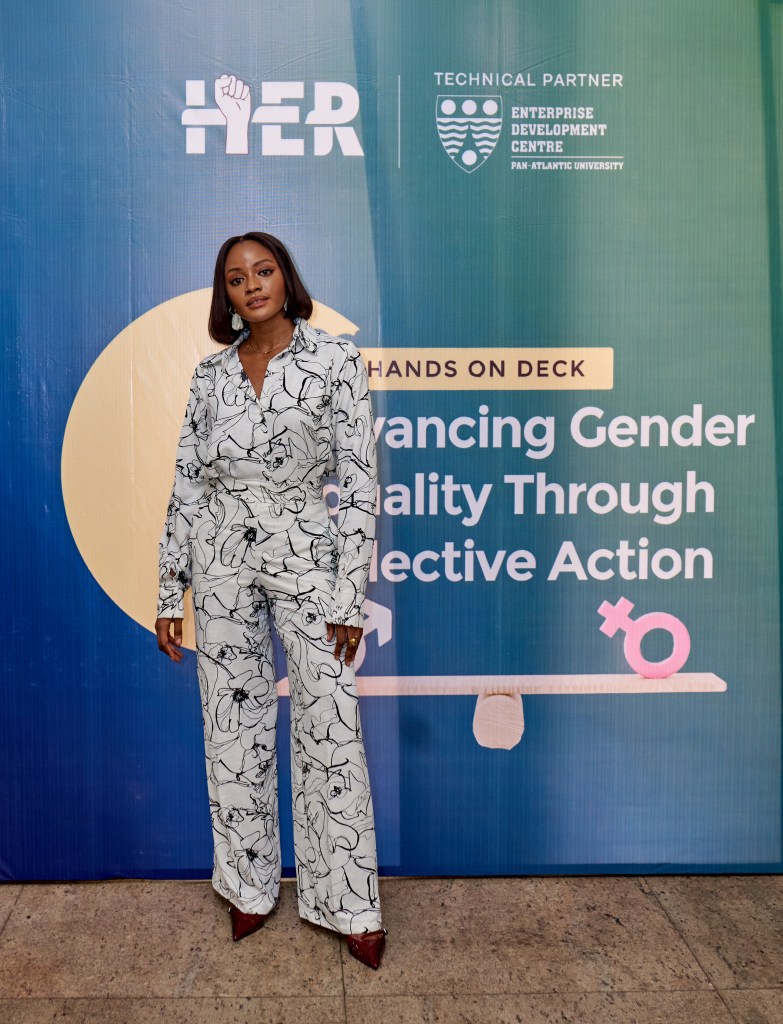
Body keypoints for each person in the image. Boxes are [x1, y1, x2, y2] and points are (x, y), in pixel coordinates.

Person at [154, 232, 386, 969]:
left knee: (329, 724)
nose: (251, 285)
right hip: (219, 560)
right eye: (236, 278)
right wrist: (169, 587)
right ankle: (248, 888)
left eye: (263, 271)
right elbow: (189, 484)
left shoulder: (336, 360)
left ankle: (349, 903)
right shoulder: (209, 375)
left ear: (286, 278)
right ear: (224, 294)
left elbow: (359, 481)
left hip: (307, 556)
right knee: (233, 726)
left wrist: (348, 594)